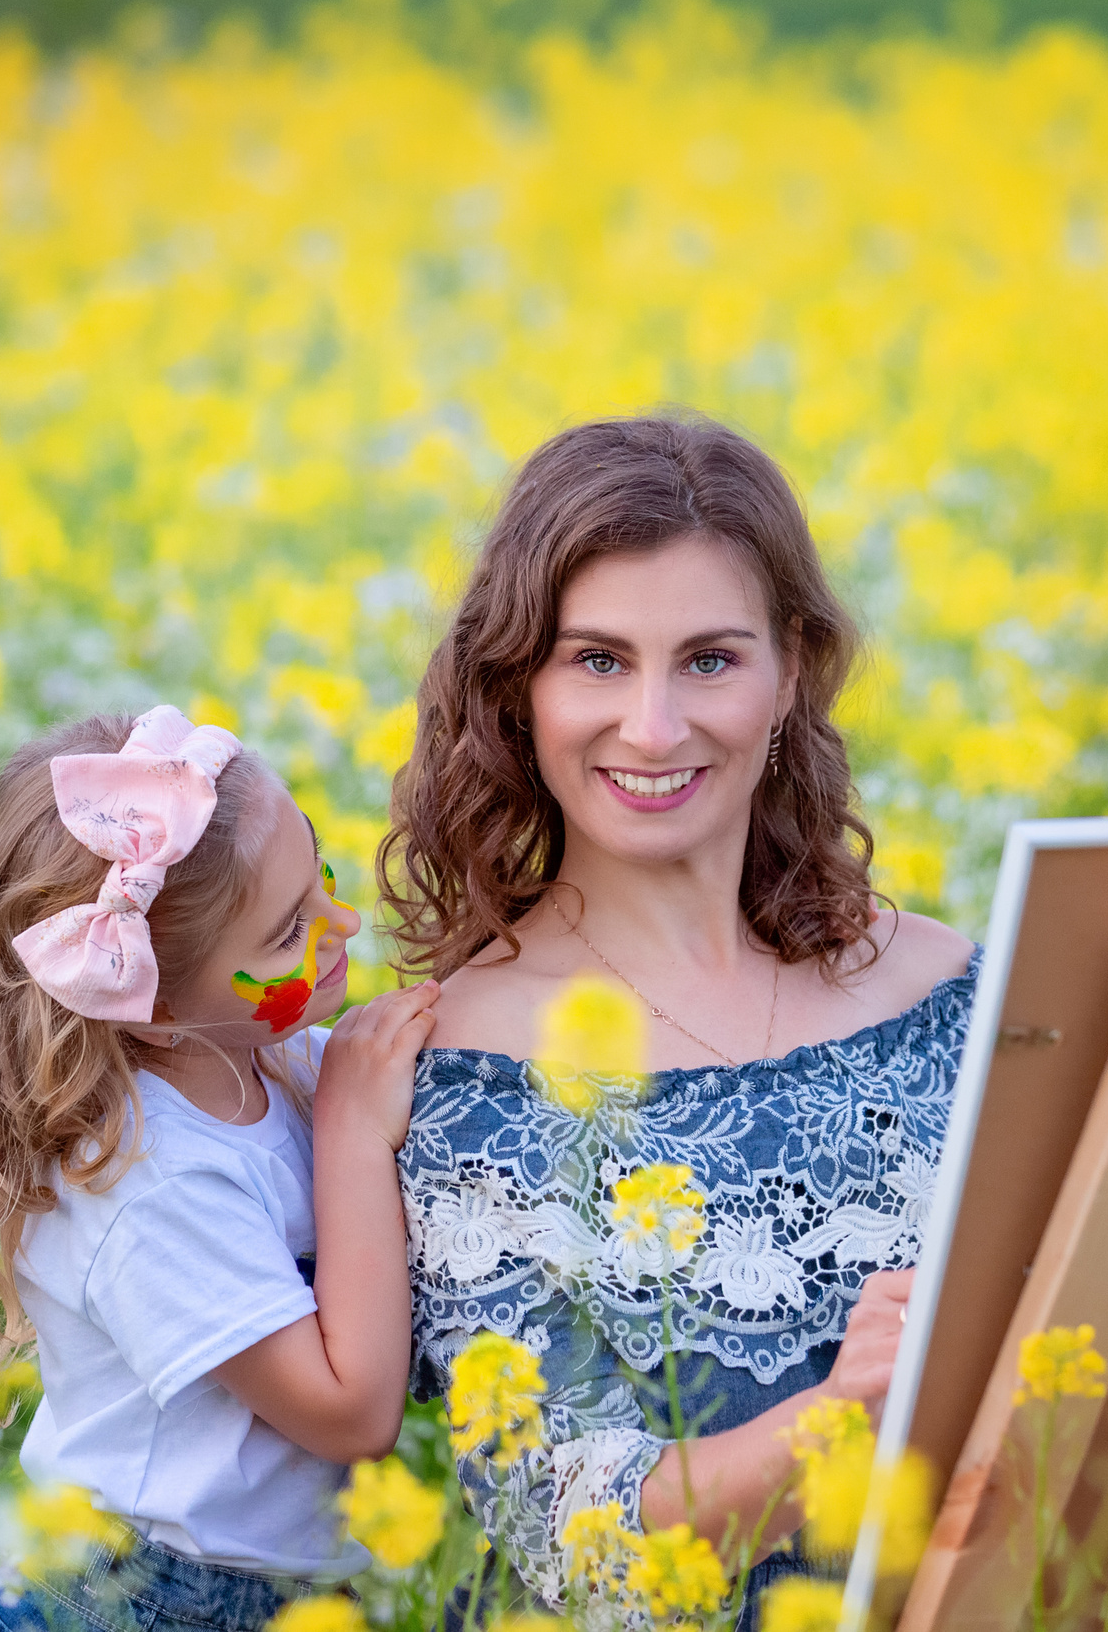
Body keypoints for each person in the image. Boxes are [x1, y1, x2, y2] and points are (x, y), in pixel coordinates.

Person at [381, 414, 977, 1625]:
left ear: (792, 669)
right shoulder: (459, 1074)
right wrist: (846, 1415)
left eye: (709, 660)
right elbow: (575, 1540)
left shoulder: (950, 990)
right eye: (597, 661)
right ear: (516, 686)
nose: (652, 729)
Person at [0, 706, 441, 1632]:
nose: (344, 923)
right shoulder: (148, 1181)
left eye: (322, 873)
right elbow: (352, 1416)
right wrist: (355, 1129)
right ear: (150, 1005)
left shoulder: (260, 1052)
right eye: (288, 932)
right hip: (139, 1603)